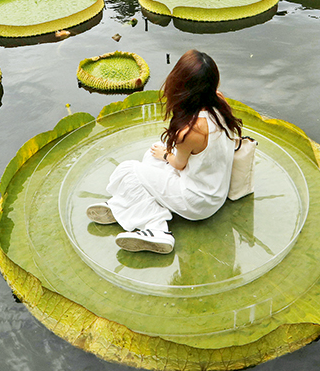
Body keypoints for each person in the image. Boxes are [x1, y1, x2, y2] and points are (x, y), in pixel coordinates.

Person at [86, 50, 243, 254]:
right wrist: (162, 155)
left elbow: (178, 164)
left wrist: (165, 155)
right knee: (151, 156)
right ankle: (123, 205)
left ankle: (156, 229)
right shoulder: (220, 102)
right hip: (215, 192)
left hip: (196, 202)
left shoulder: (190, 131)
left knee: (130, 170)